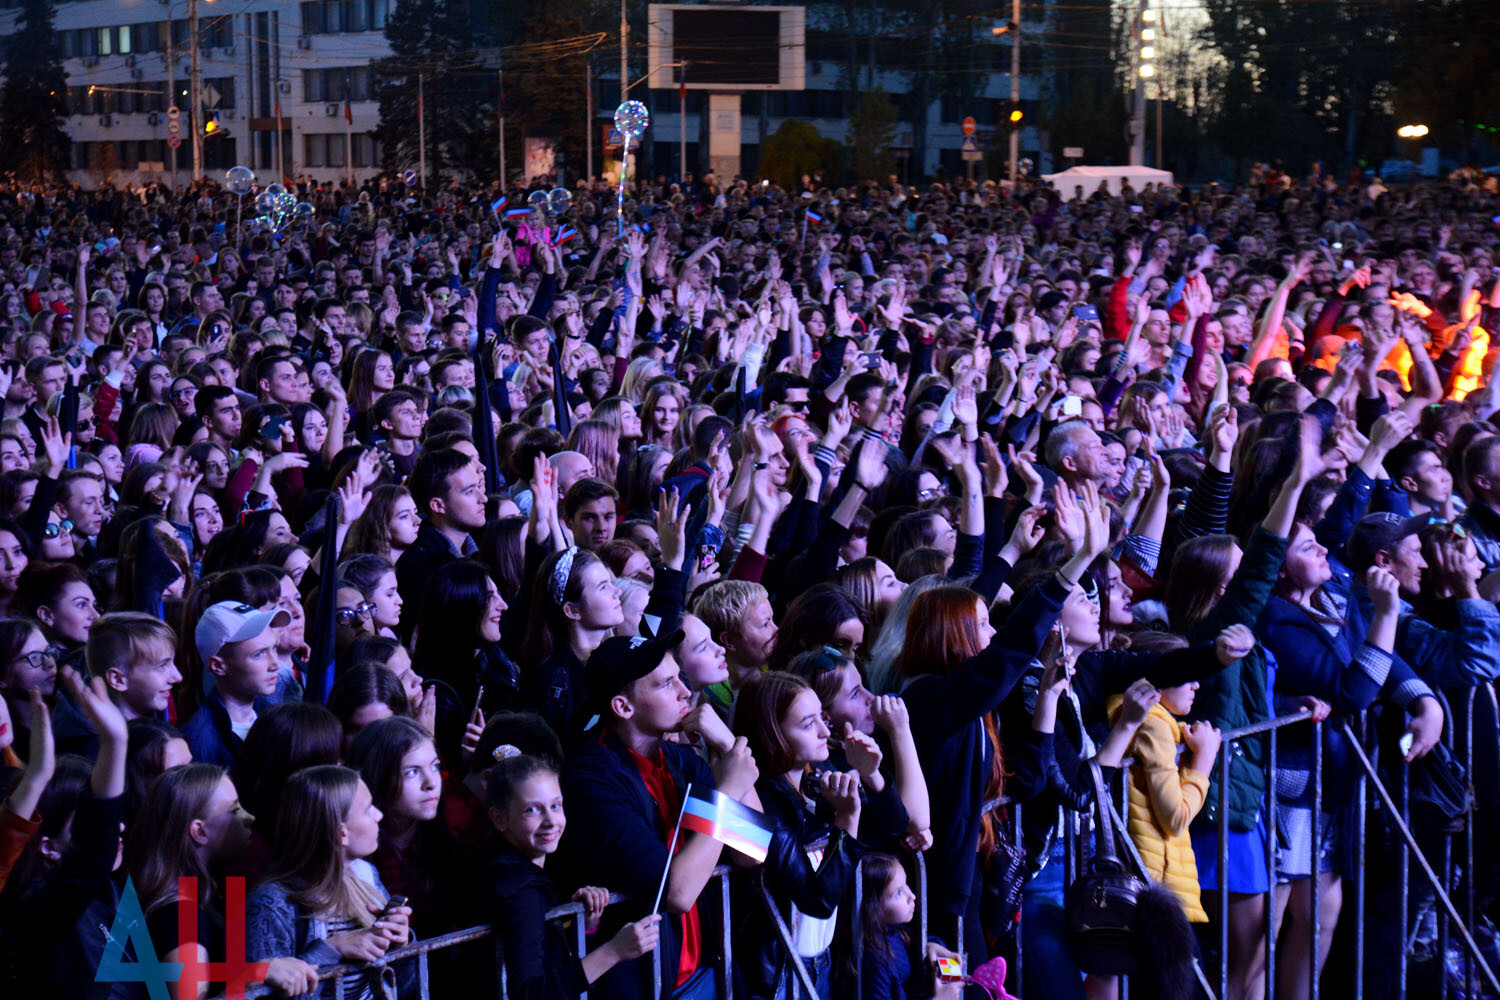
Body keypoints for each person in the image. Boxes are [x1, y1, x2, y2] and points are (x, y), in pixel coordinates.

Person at [560, 630, 759, 1000]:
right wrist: (729, 790)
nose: (685, 691)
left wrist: (727, 744)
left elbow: (750, 850)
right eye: (667, 684)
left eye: (679, 677)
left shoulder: (680, 761)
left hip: (706, 970)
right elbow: (677, 892)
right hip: (644, 985)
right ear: (623, 707)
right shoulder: (593, 779)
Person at [123, 763, 322, 998]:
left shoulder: (198, 893)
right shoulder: (180, 911)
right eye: (234, 810)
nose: (249, 817)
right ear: (199, 832)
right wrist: (258, 971)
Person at [479, 751, 663, 999]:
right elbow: (529, 994)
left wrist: (576, 922)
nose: (550, 821)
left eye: (556, 805)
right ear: (499, 818)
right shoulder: (521, 890)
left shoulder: (524, 872)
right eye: (532, 810)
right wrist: (614, 951)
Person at [732, 670, 865, 1000]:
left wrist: (874, 774)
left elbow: (895, 825)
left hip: (822, 957)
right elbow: (816, 897)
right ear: (773, 735)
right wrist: (847, 816)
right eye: (808, 724)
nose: (824, 729)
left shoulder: (818, 778)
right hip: (778, 971)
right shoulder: (761, 797)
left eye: (821, 716)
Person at [244, 765, 415, 983]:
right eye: (368, 809)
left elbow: (401, 986)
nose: (379, 815)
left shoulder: (366, 875)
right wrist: (332, 949)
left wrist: (400, 946)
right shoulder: (271, 905)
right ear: (340, 833)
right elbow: (261, 995)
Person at [183, 601, 291, 768]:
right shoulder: (198, 742)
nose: (275, 663)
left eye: (274, 647)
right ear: (218, 666)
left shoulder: (276, 715)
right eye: (259, 654)